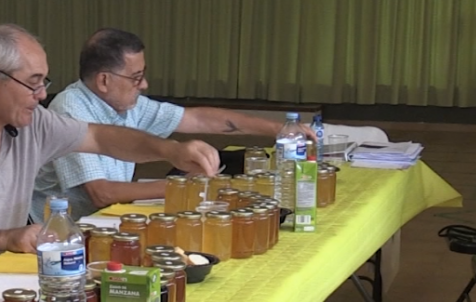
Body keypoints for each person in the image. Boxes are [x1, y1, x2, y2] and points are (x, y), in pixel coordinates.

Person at [0, 24, 220, 274]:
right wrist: (4, 238)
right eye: (33, 83)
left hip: (9, 273)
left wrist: (171, 151)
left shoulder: (33, 123)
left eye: (44, 83)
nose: (41, 94)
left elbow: (103, 139)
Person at [33, 28, 304, 220]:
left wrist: (279, 129)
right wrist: (188, 185)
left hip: (106, 218)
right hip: (60, 231)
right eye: (136, 77)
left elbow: (198, 119)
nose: (144, 85)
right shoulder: (70, 110)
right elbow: (101, 193)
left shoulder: (127, 103)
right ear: (104, 81)